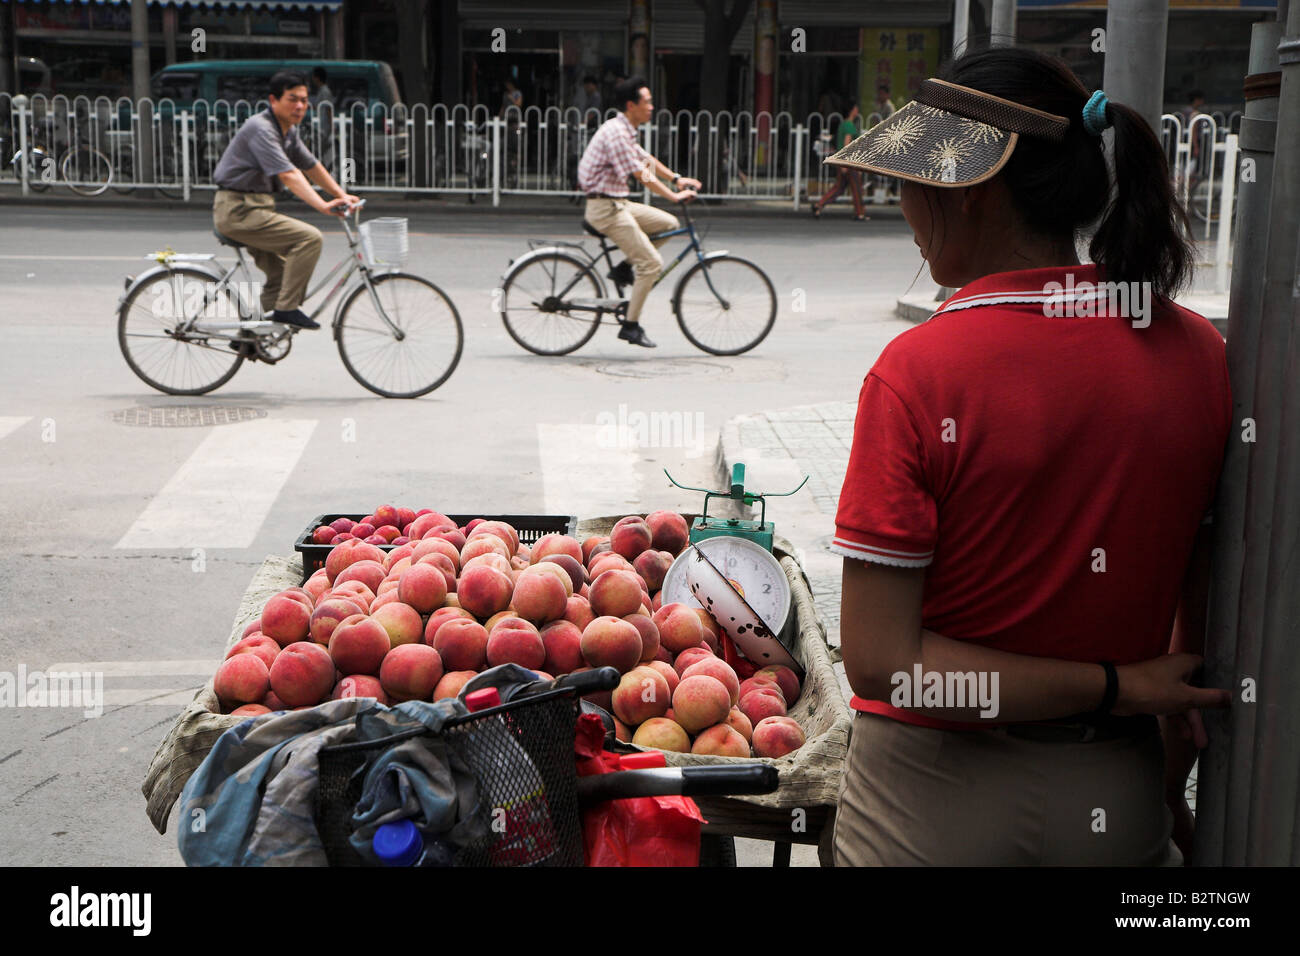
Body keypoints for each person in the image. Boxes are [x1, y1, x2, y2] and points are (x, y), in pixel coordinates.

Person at [823, 48, 1231, 865]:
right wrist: (1141, 720)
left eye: (906, 181)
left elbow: (884, 668)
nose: (902, 204)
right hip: (1114, 794)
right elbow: (1201, 612)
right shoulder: (1198, 355)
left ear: (967, 192)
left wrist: (1115, 686)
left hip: (928, 805)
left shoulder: (919, 373)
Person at [212, 70, 359, 336]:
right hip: (238, 210)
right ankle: (286, 310)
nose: (300, 106)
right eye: (293, 99)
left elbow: (311, 165)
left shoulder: (288, 132)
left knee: (282, 276)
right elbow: (289, 174)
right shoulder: (262, 129)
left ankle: (249, 336)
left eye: (304, 100)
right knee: (310, 239)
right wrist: (322, 205)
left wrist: (340, 194)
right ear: (273, 100)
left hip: (255, 209)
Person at [577, 76, 701, 348]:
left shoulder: (626, 129)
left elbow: (646, 159)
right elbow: (641, 174)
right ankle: (630, 326)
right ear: (631, 105)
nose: (651, 107)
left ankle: (624, 267)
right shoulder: (616, 134)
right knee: (652, 264)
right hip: (605, 209)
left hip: (616, 202)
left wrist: (676, 178)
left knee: (668, 223)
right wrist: (673, 195)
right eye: (647, 102)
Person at [812, 102, 867, 220]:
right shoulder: (849, 125)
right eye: (856, 108)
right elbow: (847, 144)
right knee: (856, 187)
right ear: (852, 110)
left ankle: (819, 205)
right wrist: (845, 163)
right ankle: (860, 213)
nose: (857, 110)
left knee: (839, 187)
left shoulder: (843, 124)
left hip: (842, 160)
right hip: (849, 161)